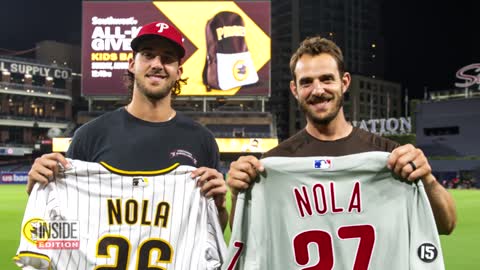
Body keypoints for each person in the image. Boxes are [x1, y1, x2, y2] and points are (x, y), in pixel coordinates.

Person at [227, 36, 456, 235]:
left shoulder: (388, 156)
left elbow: (446, 225)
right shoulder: (274, 164)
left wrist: (427, 179)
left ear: (344, 82)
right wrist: (238, 193)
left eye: (326, 79)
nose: (318, 90)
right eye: (306, 82)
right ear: (295, 90)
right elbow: (246, 234)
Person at [27, 21, 228, 230]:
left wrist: (219, 208)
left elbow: (212, 231)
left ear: (179, 71)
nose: (157, 64)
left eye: (167, 58)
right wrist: (41, 189)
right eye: (148, 55)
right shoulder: (90, 135)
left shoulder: (202, 139)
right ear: (132, 64)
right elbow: (64, 221)